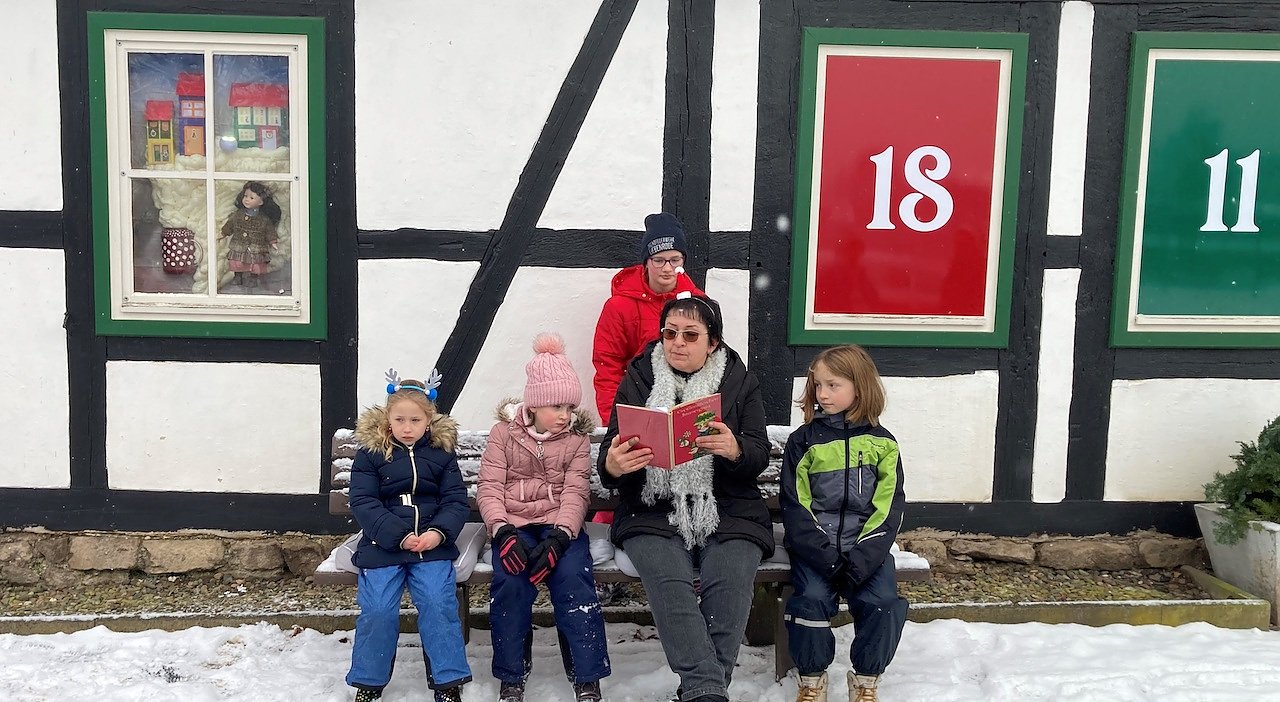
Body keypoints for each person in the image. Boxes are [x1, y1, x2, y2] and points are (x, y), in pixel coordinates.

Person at [598, 294, 772, 702]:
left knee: (729, 582)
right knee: (669, 583)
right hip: (651, 509)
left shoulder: (739, 381)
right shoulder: (639, 377)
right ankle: (709, 690)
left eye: (690, 335)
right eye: (670, 333)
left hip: (728, 508)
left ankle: (701, 689)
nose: (677, 342)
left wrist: (736, 450)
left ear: (712, 342)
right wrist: (615, 465)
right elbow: (610, 456)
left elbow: (758, 454)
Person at [477, 333, 610, 702]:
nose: (565, 415)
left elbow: (576, 492)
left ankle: (586, 675)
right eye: (556, 406)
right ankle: (512, 675)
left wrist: (561, 537)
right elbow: (489, 488)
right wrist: (501, 532)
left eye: (569, 406)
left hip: (559, 529)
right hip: (514, 527)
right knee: (511, 585)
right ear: (534, 405)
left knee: (574, 580)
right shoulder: (503, 435)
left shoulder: (575, 439)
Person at [779, 345, 909, 702]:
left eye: (833, 385)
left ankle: (866, 679)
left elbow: (888, 508)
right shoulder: (803, 441)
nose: (822, 394)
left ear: (860, 386)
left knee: (884, 603)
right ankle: (811, 679)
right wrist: (825, 558)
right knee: (809, 601)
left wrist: (863, 559)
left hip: (866, 550)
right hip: (816, 550)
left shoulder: (883, 444)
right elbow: (796, 506)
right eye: (817, 385)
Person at [345, 371, 471, 702]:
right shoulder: (372, 453)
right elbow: (363, 501)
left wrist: (437, 533)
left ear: (428, 421)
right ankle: (369, 682)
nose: (407, 427)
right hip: (383, 544)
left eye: (415, 420)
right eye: (399, 419)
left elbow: (455, 500)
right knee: (378, 609)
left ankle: (447, 680)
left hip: (431, 545)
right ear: (388, 419)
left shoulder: (441, 453)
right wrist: (399, 535)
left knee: (437, 602)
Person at [592, 212, 704, 425]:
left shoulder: (699, 303)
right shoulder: (618, 307)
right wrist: (615, 421)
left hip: (688, 408)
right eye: (659, 260)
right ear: (646, 261)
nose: (667, 268)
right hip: (637, 404)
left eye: (675, 260)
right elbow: (608, 367)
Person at [219, 180, 280, 289]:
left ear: (261, 202)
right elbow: (230, 224)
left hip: (256, 246)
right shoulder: (238, 215)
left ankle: (253, 277)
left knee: (255, 263)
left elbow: (269, 231)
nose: (247, 199)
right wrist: (224, 233)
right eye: (245, 196)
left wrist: (273, 242)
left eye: (252, 198)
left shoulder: (264, 219)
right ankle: (237, 276)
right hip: (239, 244)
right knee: (237, 262)